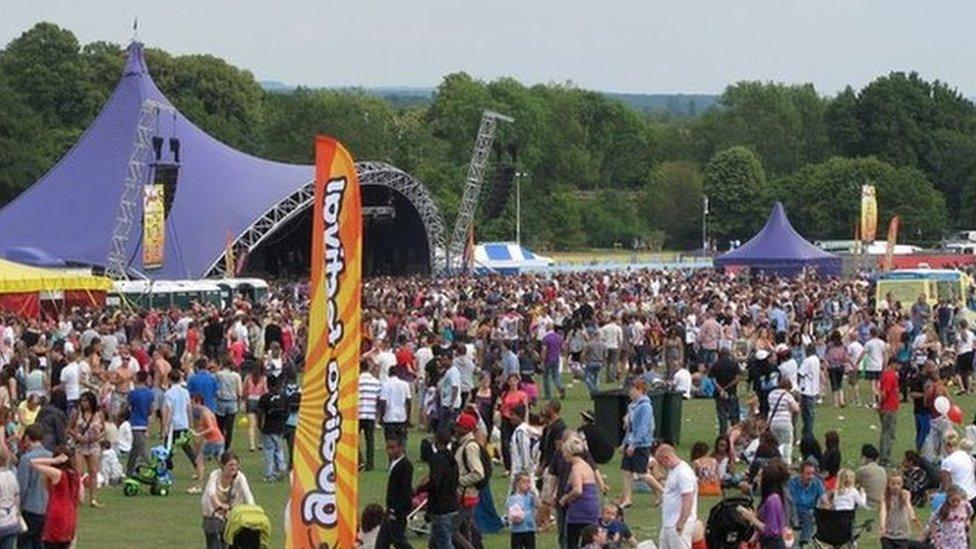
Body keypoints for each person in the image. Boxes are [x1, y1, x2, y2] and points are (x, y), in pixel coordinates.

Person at [639, 443, 697, 549]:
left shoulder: (683, 473)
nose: (661, 466)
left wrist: (681, 522)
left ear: (667, 458)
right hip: (669, 523)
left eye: (661, 462)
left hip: (678, 523)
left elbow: (688, 499)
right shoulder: (673, 471)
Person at [201, 450, 254, 549]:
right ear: (223, 465)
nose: (233, 468)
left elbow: (248, 496)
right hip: (211, 514)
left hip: (232, 515)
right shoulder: (214, 475)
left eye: (235, 465)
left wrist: (253, 511)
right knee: (214, 543)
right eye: (230, 465)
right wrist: (220, 507)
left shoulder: (240, 477)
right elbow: (211, 494)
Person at [32, 447, 81, 549]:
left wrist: (54, 460)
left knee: (51, 544)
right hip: (70, 515)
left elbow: (34, 462)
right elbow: (81, 497)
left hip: (56, 515)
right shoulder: (75, 475)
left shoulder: (57, 474)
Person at [559, 432, 600, 549]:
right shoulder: (587, 465)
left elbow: (578, 490)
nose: (563, 454)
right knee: (590, 541)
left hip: (580, 510)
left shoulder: (576, 468)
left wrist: (565, 498)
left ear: (569, 452)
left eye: (564, 452)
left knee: (573, 540)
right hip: (592, 509)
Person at [738, 459, 789, 549]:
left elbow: (772, 531)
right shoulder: (770, 498)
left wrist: (751, 518)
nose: (757, 479)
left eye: (760, 476)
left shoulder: (772, 500)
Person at [421, 429, 458, 549]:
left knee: (444, 542)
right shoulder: (452, 458)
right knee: (437, 541)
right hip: (452, 503)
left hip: (440, 507)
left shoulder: (437, 459)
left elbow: (435, 483)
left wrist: (420, 488)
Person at [618, 379, 652, 509]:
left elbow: (643, 427)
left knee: (642, 474)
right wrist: (624, 443)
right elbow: (630, 427)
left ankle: (662, 491)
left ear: (640, 390)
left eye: (632, 389)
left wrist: (634, 444)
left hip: (641, 444)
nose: (630, 392)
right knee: (626, 471)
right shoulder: (632, 406)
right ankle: (627, 499)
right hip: (631, 441)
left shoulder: (645, 407)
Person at [454, 412, 485, 549]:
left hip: (465, 495)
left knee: (451, 531)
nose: (455, 429)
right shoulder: (463, 444)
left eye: (458, 426)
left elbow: (478, 473)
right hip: (465, 495)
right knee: (466, 531)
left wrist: (459, 481)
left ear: (465, 429)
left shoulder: (470, 447)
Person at [68, 391, 103, 508]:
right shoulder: (76, 413)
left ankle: (93, 499)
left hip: (93, 445)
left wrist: (98, 436)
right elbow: (69, 428)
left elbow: (103, 429)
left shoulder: (98, 414)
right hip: (79, 445)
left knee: (93, 471)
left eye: (86, 401)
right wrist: (76, 436)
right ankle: (77, 497)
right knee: (78, 472)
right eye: (82, 401)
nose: (83, 403)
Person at [17, 424, 50, 549]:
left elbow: (22, 487)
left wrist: (19, 507)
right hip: (47, 507)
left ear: (27, 438)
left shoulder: (26, 459)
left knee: (25, 542)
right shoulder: (51, 456)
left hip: (30, 507)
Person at [376, 437, 413, 549]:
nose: (389, 451)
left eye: (393, 448)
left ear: (401, 448)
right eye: (388, 448)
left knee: (398, 540)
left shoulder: (405, 465)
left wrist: (397, 510)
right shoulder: (394, 463)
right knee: (382, 542)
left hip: (397, 511)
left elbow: (405, 490)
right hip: (391, 509)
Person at [257, 375, 289, 483]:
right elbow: (287, 412)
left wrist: (259, 425)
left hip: (268, 428)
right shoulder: (284, 397)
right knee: (279, 450)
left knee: (269, 451)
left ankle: (269, 474)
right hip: (280, 428)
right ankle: (281, 468)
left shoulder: (265, 398)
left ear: (268, 385)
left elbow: (260, 413)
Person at [788, 460, 825, 546]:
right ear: (800, 474)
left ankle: (804, 542)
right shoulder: (792, 483)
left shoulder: (817, 483)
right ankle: (801, 542)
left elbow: (824, 500)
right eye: (808, 474)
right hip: (794, 513)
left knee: (810, 513)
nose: (811, 476)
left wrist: (824, 506)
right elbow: (790, 502)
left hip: (809, 514)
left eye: (812, 473)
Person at [879, 472, 920, 549]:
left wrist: (912, 516)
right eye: (893, 484)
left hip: (902, 532)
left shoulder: (905, 494)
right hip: (887, 532)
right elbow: (883, 510)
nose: (896, 486)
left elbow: (908, 505)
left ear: (902, 484)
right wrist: (882, 524)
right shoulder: (885, 496)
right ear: (888, 484)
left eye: (898, 484)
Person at [924, 484, 972, 548]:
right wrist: (935, 536)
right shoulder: (943, 509)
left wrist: (967, 521)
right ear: (948, 499)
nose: (955, 503)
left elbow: (970, 513)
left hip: (960, 540)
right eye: (953, 501)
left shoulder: (965, 505)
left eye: (958, 500)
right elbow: (932, 522)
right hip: (946, 541)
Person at [126, 370, 155, 474]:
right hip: (144, 423)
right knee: (135, 449)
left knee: (142, 449)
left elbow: (126, 406)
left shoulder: (133, 393)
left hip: (135, 423)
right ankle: (129, 470)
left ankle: (153, 467)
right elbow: (151, 410)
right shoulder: (150, 393)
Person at [939, 431, 976, 510]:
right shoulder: (967, 456)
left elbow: (946, 486)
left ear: (946, 445)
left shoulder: (947, 462)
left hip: (959, 499)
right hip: (973, 496)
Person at [766, 377, 799, 464]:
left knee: (776, 442)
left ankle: (775, 459)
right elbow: (796, 408)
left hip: (772, 421)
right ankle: (786, 461)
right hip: (784, 421)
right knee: (787, 442)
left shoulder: (771, 394)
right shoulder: (787, 395)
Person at [710, 349, 740, 437]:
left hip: (719, 394)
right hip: (732, 393)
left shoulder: (716, 365)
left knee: (722, 416)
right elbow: (737, 378)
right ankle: (735, 436)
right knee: (734, 416)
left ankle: (723, 436)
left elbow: (712, 379)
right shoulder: (734, 364)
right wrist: (728, 387)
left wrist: (720, 388)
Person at [213, 356, 242, 448]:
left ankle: (220, 444)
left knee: (220, 426)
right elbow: (239, 392)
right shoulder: (236, 376)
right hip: (232, 402)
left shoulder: (218, 375)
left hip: (220, 401)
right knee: (230, 427)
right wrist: (239, 402)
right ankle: (227, 446)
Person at [358, 361, 381, 471]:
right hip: (370, 414)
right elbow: (378, 399)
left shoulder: (356, 381)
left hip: (358, 414)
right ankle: (370, 464)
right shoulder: (376, 382)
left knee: (354, 439)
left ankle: (359, 460)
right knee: (370, 440)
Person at [379, 367, 411, 444]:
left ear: (389, 374)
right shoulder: (405, 384)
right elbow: (409, 402)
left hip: (389, 418)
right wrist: (408, 416)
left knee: (391, 442)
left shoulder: (385, 384)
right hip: (401, 417)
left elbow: (383, 402)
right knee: (401, 442)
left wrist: (381, 416)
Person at [878, 357, 900, 466]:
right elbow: (884, 393)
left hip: (890, 407)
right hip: (889, 408)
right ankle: (884, 458)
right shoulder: (890, 375)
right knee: (888, 433)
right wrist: (880, 404)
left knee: (888, 433)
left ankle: (885, 456)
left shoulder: (888, 374)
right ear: (893, 364)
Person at [507, 472, 537, 549]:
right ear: (517, 484)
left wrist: (535, 494)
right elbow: (509, 511)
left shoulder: (531, 496)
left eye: (528, 482)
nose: (527, 484)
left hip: (529, 529)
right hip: (517, 530)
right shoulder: (512, 497)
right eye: (524, 482)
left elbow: (538, 506)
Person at [797, 344, 821, 442]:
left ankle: (808, 435)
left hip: (806, 390)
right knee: (810, 414)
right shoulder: (816, 359)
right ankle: (806, 434)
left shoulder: (807, 361)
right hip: (814, 390)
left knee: (806, 415)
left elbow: (800, 373)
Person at [242, 366, 267, 453]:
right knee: (260, 424)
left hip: (250, 400)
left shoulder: (248, 377)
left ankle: (252, 445)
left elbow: (244, 390)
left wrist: (244, 401)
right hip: (260, 401)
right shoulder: (263, 379)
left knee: (251, 424)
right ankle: (260, 443)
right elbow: (266, 390)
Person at [855, 444, 887, 509]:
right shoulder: (882, 470)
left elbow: (851, 484)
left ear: (864, 457)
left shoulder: (862, 470)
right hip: (880, 502)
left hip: (867, 503)